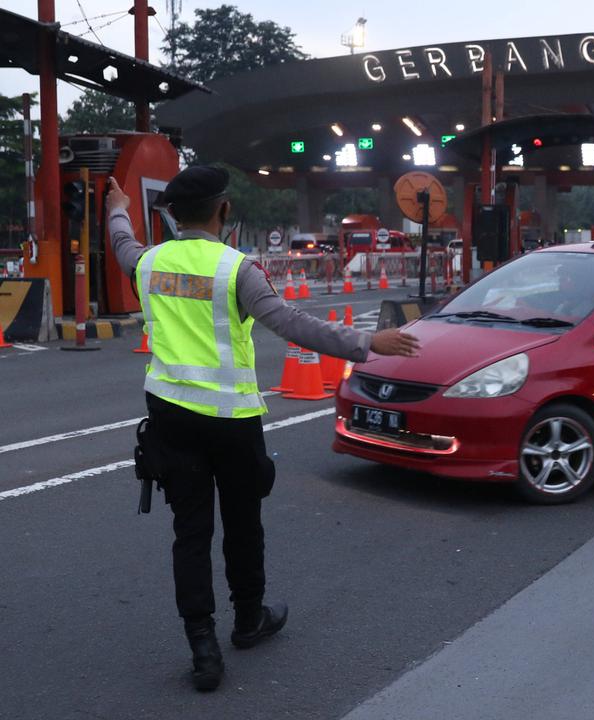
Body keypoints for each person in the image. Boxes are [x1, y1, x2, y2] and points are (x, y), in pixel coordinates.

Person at [105, 167, 420, 691]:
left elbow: (120, 242)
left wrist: (116, 204)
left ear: (172, 216)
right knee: (243, 521)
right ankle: (248, 619)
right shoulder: (237, 270)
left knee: (190, 531)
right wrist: (368, 343)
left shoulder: (148, 262)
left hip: (171, 416)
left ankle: (203, 649)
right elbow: (290, 323)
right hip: (231, 420)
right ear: (224, 212)